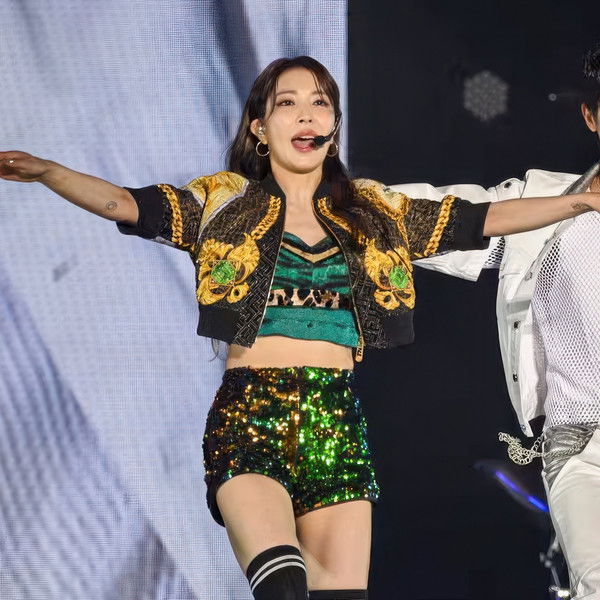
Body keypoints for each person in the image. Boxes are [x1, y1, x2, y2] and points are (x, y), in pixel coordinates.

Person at [2, 56, 599, 600]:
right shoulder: (224, 201)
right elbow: (127, 205)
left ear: (334, 125)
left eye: (320, 103)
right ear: (260, 128)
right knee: (284, 585)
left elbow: (481, 219)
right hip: (251, 417)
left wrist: (580, 202)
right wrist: (51, 172)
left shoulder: (372, 212)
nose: (307, 115)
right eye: (287, 103)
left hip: (336, 421)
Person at [389, 45, 600, 600]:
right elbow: (432, 220)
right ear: (591, 116)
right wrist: (329, 199)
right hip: (583, 449)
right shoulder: (544, 206)